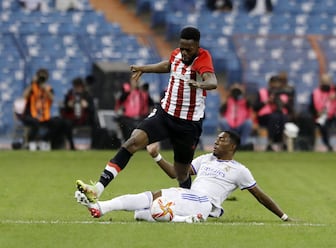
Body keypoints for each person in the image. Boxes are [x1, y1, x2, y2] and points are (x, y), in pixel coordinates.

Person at [75, 26, 218, 202]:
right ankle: (97, 188)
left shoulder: (203, 58)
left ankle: (190, 203)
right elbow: (168, 65)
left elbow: (212, 80)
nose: (184, 52)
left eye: (188, 49)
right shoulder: (177, 55)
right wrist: (144, 68)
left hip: (188, 124)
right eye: (182, 48)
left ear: (197, 46)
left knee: (181, 173)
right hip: (165, 114)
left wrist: (201, 85)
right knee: (132, 142)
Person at [75, 131, 292, 223]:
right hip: (189, 196)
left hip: (204, 203)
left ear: (232, 146)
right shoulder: (205, 159)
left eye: (222, 139)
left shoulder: (239, 170)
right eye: (216, 139)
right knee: (148, 200)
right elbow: (176, 174)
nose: (216, 142)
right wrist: (156, 156)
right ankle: (101, 207)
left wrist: (283, 216)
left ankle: (185, 220)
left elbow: (260, 195)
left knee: (156, 205)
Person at [20, 68, 75, 150]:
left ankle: (45, 139)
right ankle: (31, 142)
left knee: (62, 123)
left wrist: (45, 89)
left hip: (44, 117)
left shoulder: (48, 88)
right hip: (31, 115)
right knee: (34, 123)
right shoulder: (32, 87)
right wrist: (32, 83)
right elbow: (24, 96)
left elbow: (52, 98)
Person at [309, 74, 336, 152]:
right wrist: (317, 113)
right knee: (322, 126)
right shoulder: (316, 93)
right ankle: (328, 146)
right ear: (321, 82)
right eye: (324, 82)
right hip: (323, 116)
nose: (326, 84)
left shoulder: (335, 90)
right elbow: (311, 107)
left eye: (328, 81)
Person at [253, 75, 291, 151]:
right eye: (273, 83)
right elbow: (255, 107)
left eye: (277, 83)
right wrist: (267, 101)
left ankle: (282, 141)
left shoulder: (283, 94)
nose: (275, 86)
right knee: (274, 117)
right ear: (270, 84)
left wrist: (281, 102)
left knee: (283, 117)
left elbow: (290, 109)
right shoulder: (262, 92)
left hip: (280, 116)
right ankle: (270, 142)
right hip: (264, 117)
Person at [61, 77, 97, 147]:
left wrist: (87, 106)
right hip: (72, 119)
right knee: (66, 124)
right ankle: (71, 145)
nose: (77, 88)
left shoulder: (87, 95)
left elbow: (92, 110)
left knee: (95, 125)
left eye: (79, 86)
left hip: (85, 119)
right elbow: (64, 110)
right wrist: (68, 105)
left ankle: (93, 146)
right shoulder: (69, 95)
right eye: (76, 86)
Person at [219, 84, 253, 149]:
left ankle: (242, 144)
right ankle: (228, 143)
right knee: (223, 121)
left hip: (241, 124)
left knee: (249, 122)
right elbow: (221, 111)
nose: (236, 93)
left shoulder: (245, 101)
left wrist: (242, 94)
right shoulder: (227, 101)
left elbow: (250, 110)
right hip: (229, 124)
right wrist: (227, 98)